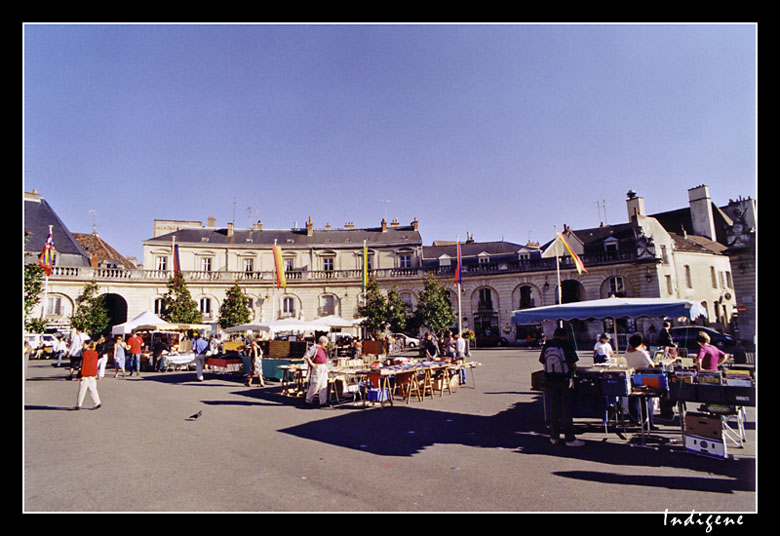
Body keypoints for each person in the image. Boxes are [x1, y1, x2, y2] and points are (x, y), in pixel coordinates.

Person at [539, 327, 584, 447]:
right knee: (566, 409)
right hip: (564, 380)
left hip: (550, 380)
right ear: (564, 336)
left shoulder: (547, 344)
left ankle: (554, 437)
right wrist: (574, 369)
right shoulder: (566, 344)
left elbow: (542, 361)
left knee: (554, 409)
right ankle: (569, 438)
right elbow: (572, 363)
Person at [624, 333, 657, 428]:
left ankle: (634, 420)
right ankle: (648, 422)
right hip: (642, 377)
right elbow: (651, 365)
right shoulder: (642, 353)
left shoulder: (627, 351)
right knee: (646, 400)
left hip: (631, 375)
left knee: (633, 399)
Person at [72, 341, 101, 410]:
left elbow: (84, 365)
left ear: (88, 345)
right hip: (93, 373)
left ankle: (79, 404)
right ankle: (97, 402)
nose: (83, 345)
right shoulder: (95, 353)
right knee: (93, 389)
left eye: (84, 344)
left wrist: (82, 374)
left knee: (82, 390)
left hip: (86, 374)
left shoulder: (86, 353)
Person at [303, 336, 330, 407]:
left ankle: (323, 401)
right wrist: (312, 364)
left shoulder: (323, 349)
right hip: (317, 367)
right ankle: (308, 400)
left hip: (323, 366)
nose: (326, 344)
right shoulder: (314, 348)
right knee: (316, 384)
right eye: (325, 343)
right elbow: (306, 356)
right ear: (322, 342)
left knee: (323, 384)